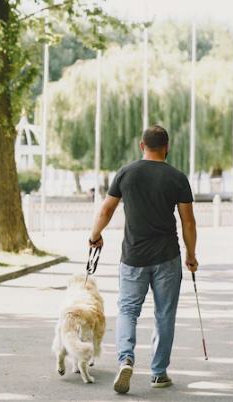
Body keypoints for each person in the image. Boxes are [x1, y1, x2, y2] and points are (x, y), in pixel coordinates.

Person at [88, 125, 198, 394]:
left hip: (133, 257)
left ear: (142, 145)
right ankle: (159, 373)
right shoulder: (177, 177)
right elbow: (188, 222)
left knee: (127, 311)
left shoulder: (126, 173)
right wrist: (191, 254)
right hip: (167, 257)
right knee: (164, 314)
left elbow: (107, 208)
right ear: (167, 147)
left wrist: (94, 236)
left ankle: (126, 358)